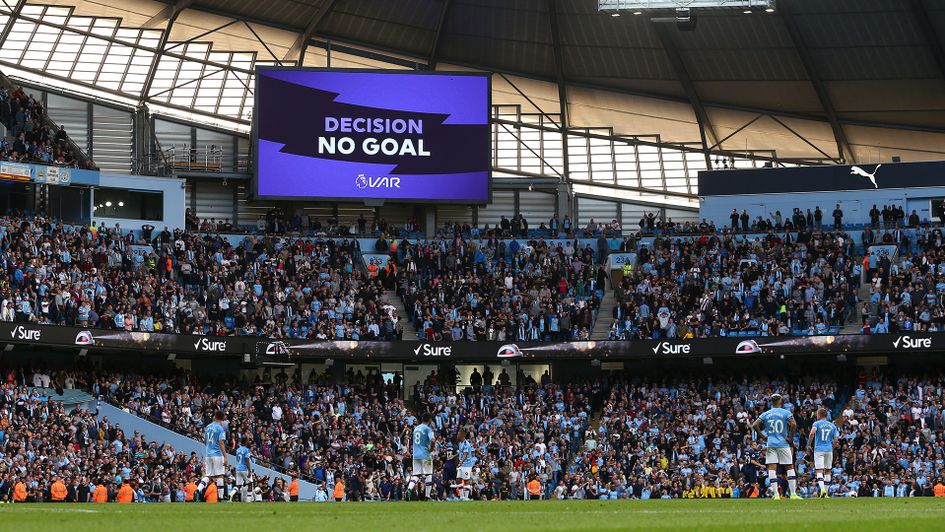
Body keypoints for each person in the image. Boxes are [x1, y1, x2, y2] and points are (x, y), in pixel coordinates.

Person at [751, 393, 800, 500]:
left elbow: (754, 425)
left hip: (771, 443)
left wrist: (762, 436)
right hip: (783, 443)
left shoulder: (766, 414)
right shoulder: (786, 413)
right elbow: (794, 424)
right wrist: (790, 437)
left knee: (772, 468)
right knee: (789, 467)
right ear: (781, 402)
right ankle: (793, 494)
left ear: (771, 402)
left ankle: (776, 495)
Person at [196, 410, 228, 502]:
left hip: (208, 454)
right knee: (220, 476)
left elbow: (206, 440)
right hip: (217, 454)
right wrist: (225, 456)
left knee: (209, 475)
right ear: (222, 418)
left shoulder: (208, 427)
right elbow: (221, 442)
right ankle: (221, 498)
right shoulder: (220, 428)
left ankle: (198, 490)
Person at [807, 408, 838, 498]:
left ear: (819, 415)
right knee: (828, 471)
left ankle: (822, 490)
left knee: (819, 470)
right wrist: (833, 447)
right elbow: (836, 439)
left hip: (819, 449)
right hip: (829, 450)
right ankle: (826, 493)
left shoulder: (816, 423)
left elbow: (812, 433)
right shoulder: (832, 426)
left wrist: (809, 444)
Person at [408, 412, 435, 500]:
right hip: (425, 455)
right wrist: (431, 449)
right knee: (428, 474)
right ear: (430, 420)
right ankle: (427, 496)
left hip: (416, 455)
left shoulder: (416, 428)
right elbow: (433, 440)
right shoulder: (428, 429)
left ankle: (409, 489)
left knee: (416, 474)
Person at [456, 430, 476, 500]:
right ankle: (461, 496)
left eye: (459, 433)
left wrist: (460, 463)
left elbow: (465, 455)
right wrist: (454, 456)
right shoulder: (460, 443)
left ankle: (466, 497)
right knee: (458, 479)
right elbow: (461, 452)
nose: (457, 435)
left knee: (466, 480)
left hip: (466, 465)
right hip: (461, 464)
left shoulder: (465, 444)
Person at [235, 436, 253, 502]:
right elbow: (247, 460)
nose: (249, 442)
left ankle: (231, 494)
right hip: (244, 469)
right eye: (248, 441)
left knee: (238, 485)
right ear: (246, 442)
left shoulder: (238, 450)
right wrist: (249, 470)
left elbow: (237, 459)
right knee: (250, 484)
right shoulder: (246, 450)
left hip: (238, 468)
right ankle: (248, 501)